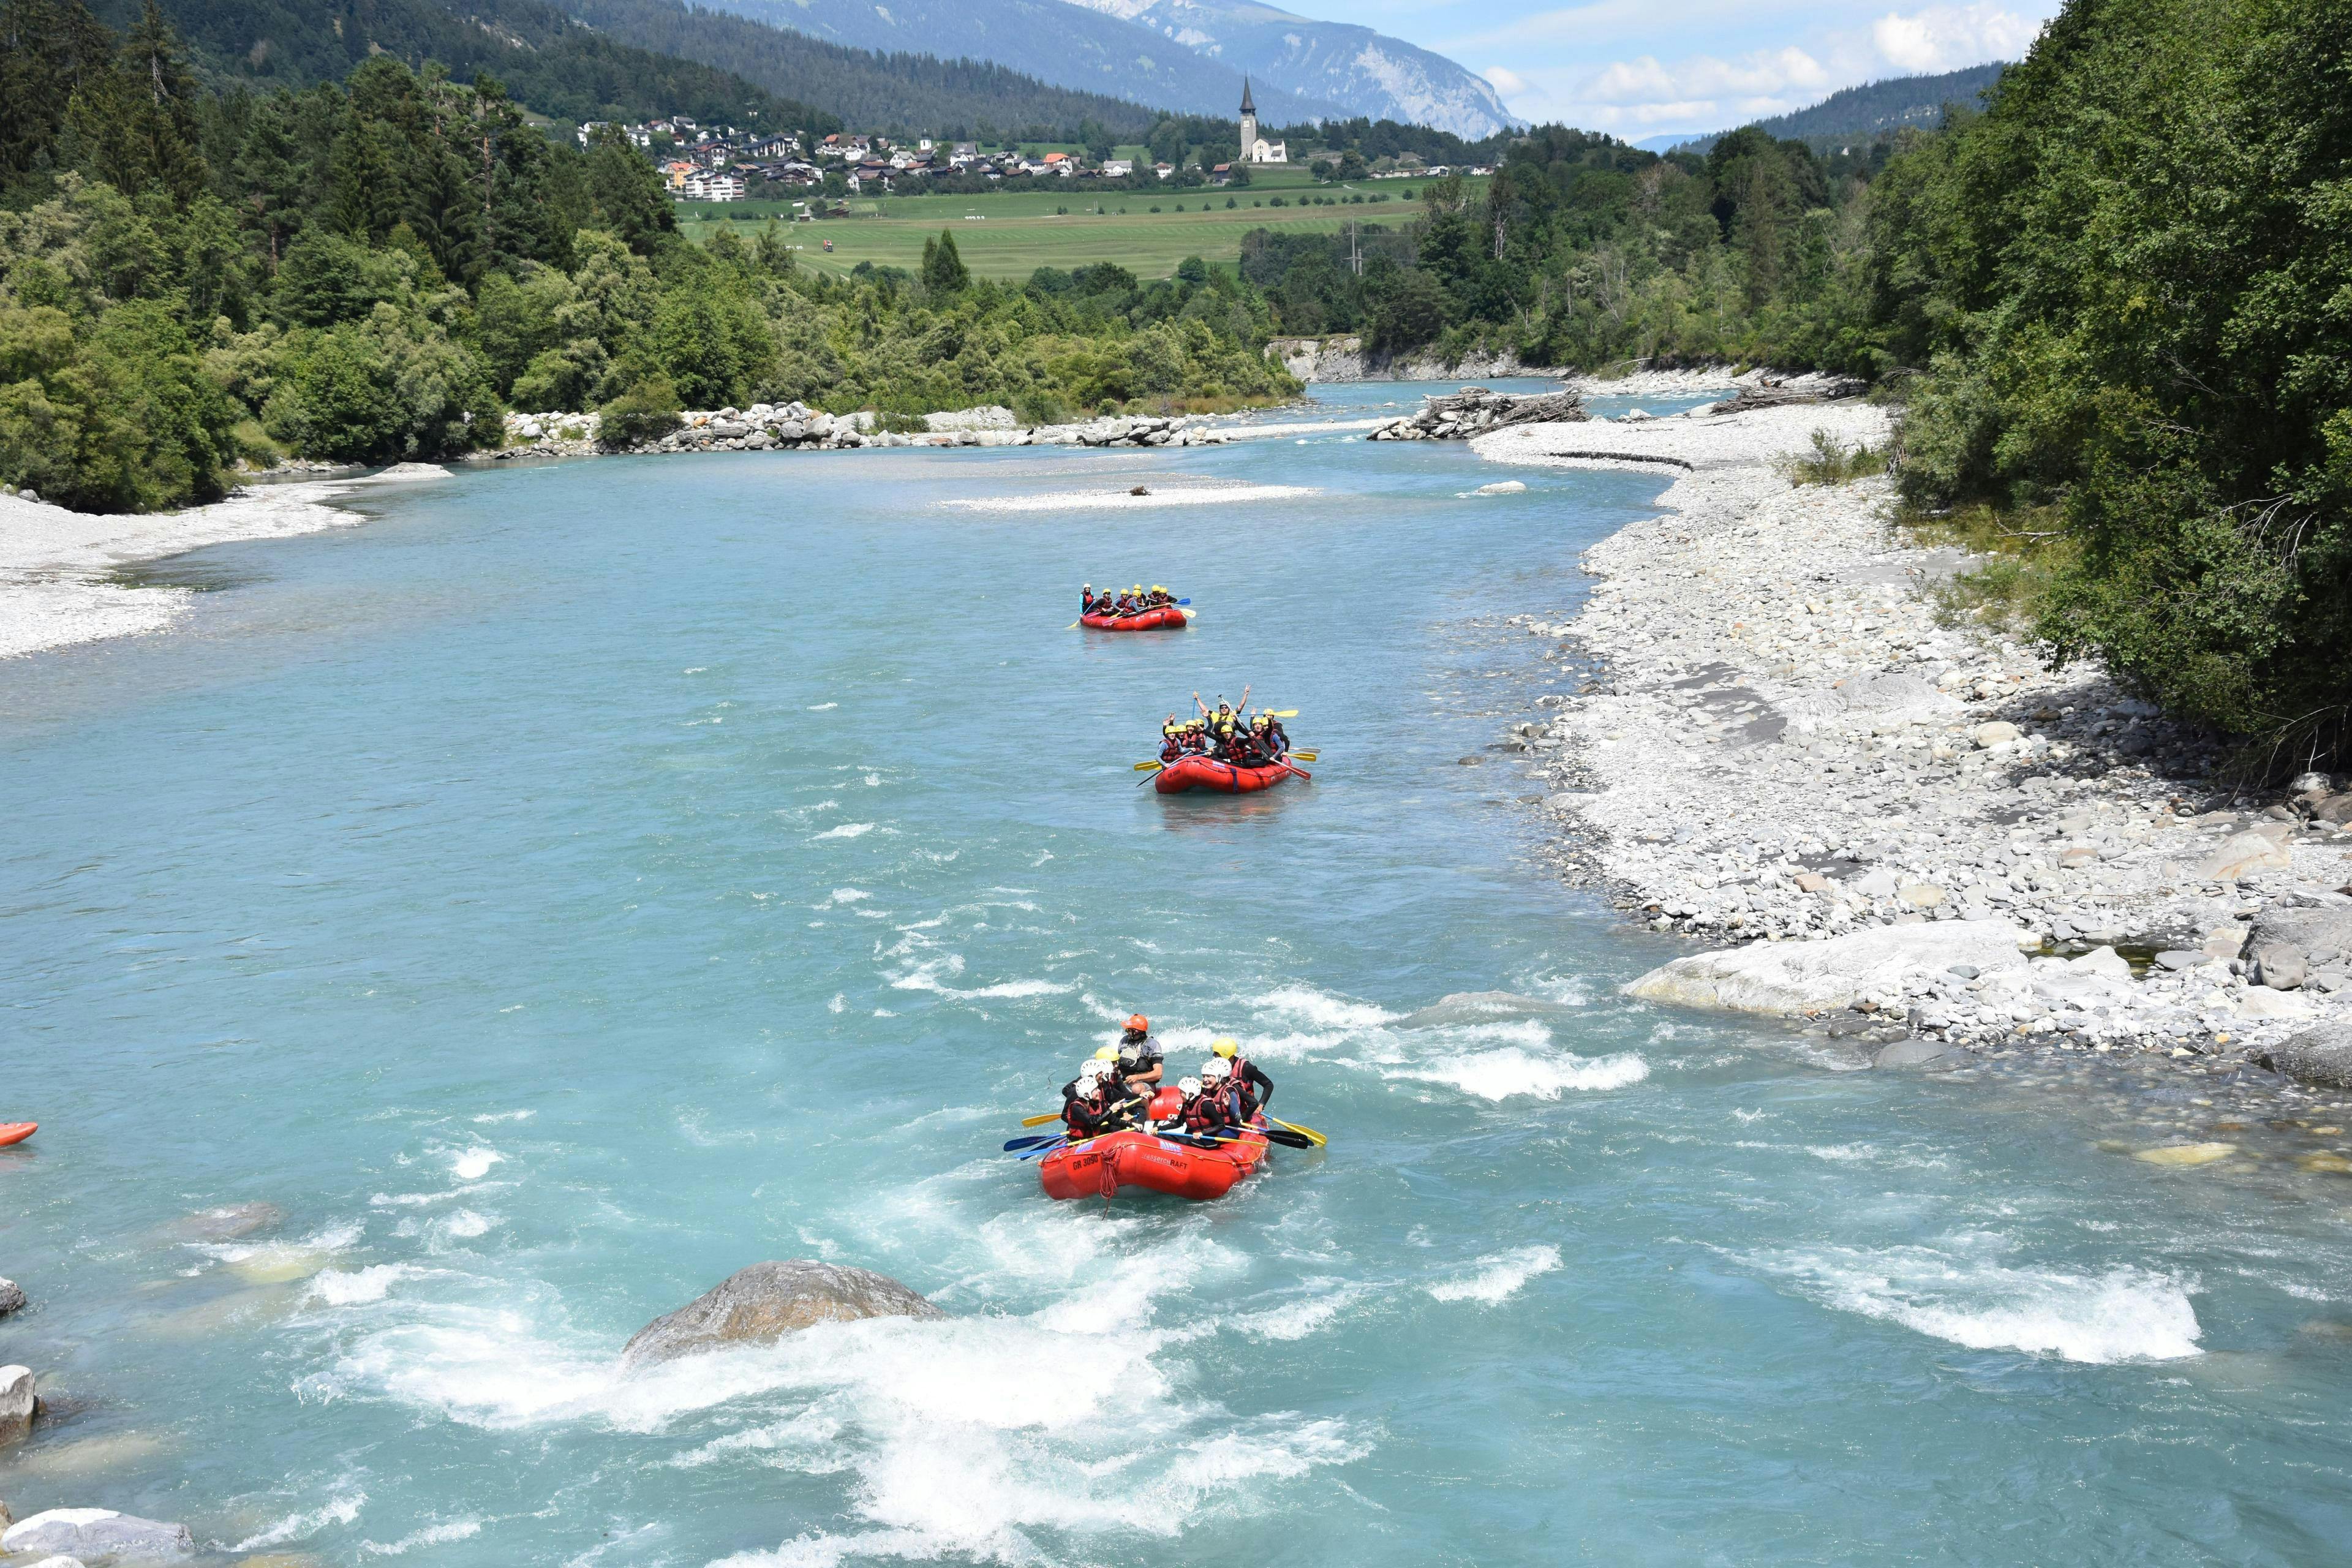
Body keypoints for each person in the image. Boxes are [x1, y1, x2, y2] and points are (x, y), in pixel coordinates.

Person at [1212, 1037, 1273, 1117]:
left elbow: (1268, 1084)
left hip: (1246, 1111)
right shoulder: (1216, 1066)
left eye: (1216, 1053)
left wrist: (1261, 1104)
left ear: (1225, 1054)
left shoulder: (1246, 1067)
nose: (1214, 1055)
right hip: (1225, 1108)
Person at [1115, 1014, 1163, 1101]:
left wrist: (1138, 1078)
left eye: (1129, 1030)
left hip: (1144, 1083)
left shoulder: (1152, 1045)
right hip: (1124, 1082)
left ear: (1137, 1031)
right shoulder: (1124, 1041)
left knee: (1136, 1089)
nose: (1127, 1031)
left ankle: (1145, 1114)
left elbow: (1158, 1073)